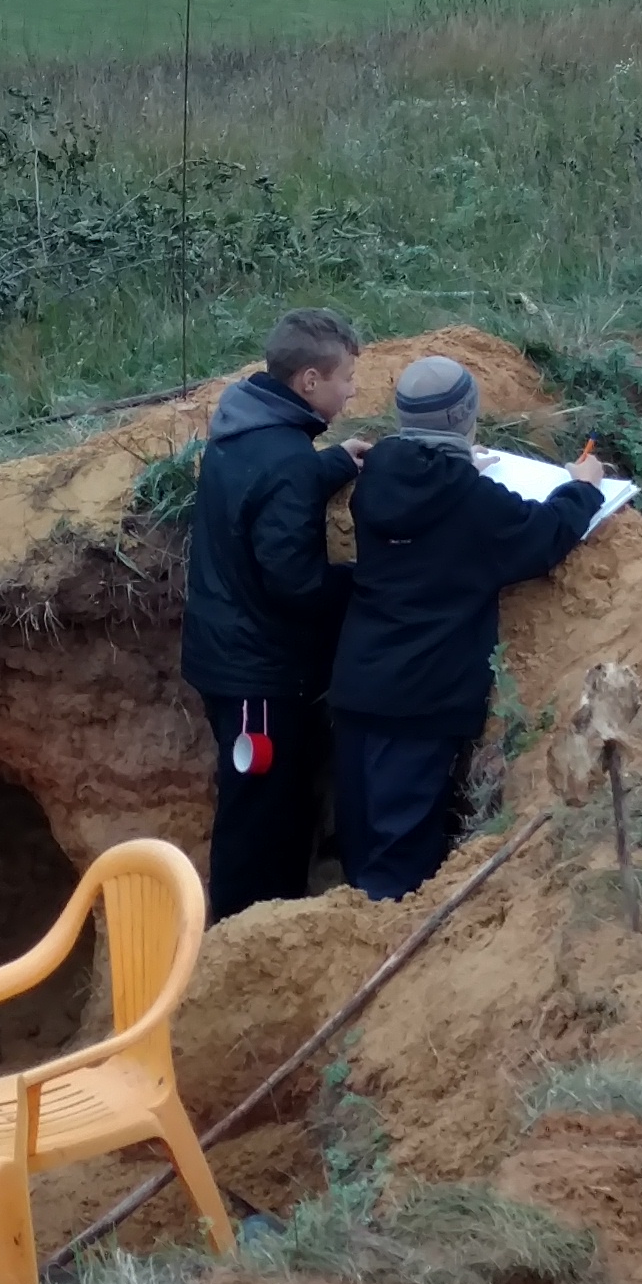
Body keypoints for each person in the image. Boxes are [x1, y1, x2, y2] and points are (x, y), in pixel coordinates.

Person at [327, 354, 609, 899]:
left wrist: (460, 469)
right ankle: (388, 945)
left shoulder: (377, 474)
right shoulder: (472, 502)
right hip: (423, 698)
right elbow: (544, 533)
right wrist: (584, 486)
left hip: (360, 684)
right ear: (464, 418)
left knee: (360, 841)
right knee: (399, 865)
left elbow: (423, 495)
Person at [182, 309, 365, 915]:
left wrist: (333, 464)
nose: (353, 391)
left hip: (226, 651)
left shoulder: (243, 424)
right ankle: (242, 935)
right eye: (345, 378)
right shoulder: (287, 460)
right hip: (256, 677)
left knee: (272, 800)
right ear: (309, 381)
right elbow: (296, 583)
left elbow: (260, 489)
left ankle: (269, 922)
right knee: (258, 819)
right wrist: (365, 580)